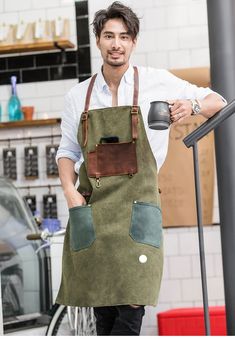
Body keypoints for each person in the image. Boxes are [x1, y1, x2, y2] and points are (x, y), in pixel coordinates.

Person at [55, 1, 226, 336]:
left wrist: (189, 105)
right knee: (102, 307)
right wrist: (70, 192)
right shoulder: (78, 97)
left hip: (139, 214)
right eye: (108, 36)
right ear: (99, 40)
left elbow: (217, 102)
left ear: (133, 41)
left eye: (123, 36)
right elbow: (67, 152)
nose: (116, 43)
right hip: (95, 213)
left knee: (133, 305)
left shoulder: (156, 82)